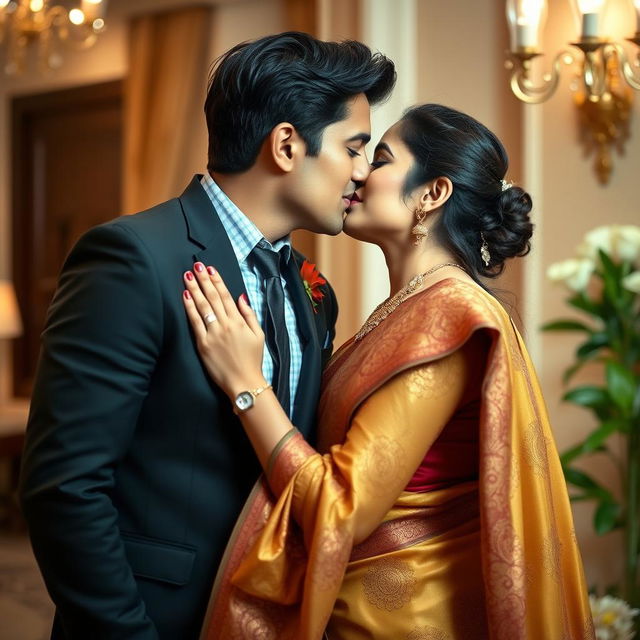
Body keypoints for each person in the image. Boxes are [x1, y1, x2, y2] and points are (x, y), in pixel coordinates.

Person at [18, 32, 396, 639]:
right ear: (286, 145)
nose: (362, 172)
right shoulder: (134, 258)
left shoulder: (313, 290)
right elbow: (64, 487)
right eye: (354, 148)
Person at [181, 104, 595, 639]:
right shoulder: (406, 309)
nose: (357, 173)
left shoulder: (449, 314)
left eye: (378, 159)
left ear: (432, 193)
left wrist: (245, 384)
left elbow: (341, 505)